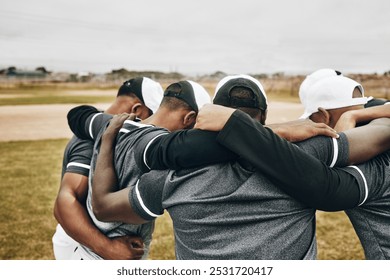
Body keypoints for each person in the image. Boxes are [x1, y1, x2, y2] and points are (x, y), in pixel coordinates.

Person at [88, 75, 390, 259]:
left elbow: (102, 206)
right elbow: (378, 138)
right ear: (265, 118)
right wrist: (350, 122)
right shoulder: (306, 153)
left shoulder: (169, 179)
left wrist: (106, 140)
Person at [65, 80, 212, 259]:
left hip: (84, 250)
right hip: (114, 255)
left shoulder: (112, 124)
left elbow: (77, 115)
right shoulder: (158, 145)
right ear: (188, 118)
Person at [52, 77, 163, 260]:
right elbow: (65, 202)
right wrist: (107, 248)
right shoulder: (93, 140)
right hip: (82, 246)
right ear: (136, 110)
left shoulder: (101, 128)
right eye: (151, 116)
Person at [297, 73, 390, 259]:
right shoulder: (379, 124)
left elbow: (336, 160)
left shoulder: (367, 165)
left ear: (323, 116)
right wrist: (354, 114)